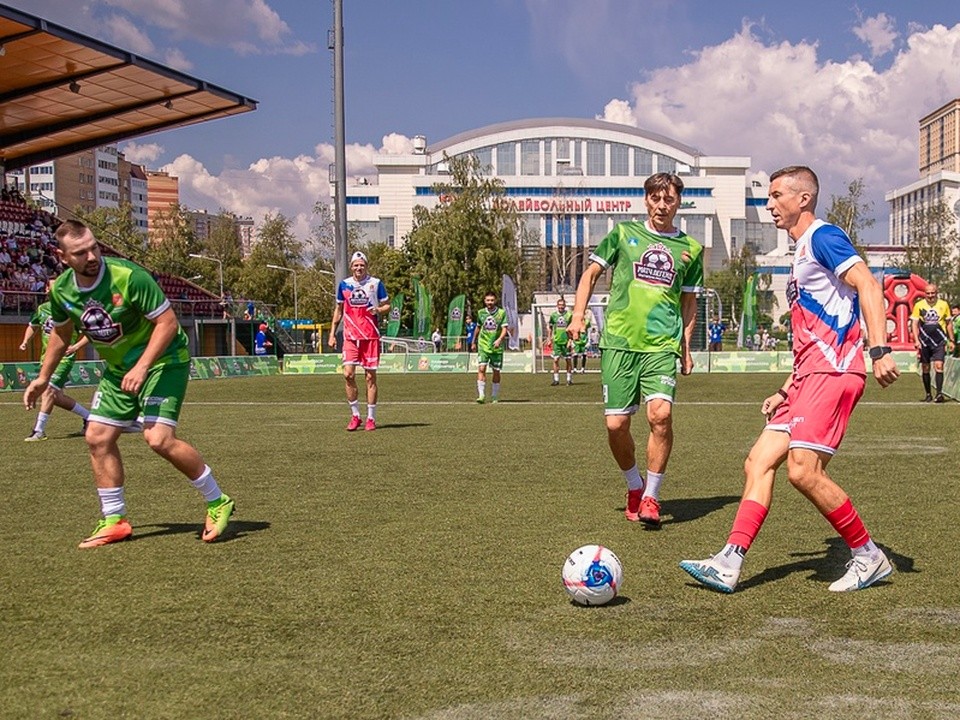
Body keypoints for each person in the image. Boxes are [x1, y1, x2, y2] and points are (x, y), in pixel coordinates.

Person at [679, 165, 900, 593]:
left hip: (834, 372)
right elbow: (810, 333)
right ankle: (729, 562)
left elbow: (869, 286)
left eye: (777, 195)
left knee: (803, 471)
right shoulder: (800, 252)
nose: (770, 204)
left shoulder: (823, 236)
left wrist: (879, 349)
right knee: (757, 462)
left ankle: (868, 555)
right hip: (806, 378)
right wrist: (785, 387)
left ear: (803, 199)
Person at [23, 220, 234, 548]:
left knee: (158, 438)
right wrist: (42, 377)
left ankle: (218, 500)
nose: (92, 256)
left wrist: (142, 366)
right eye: (81, 252)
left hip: (165, 360)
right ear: (62, 256)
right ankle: (114, 520)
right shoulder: (62, 290)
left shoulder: (129, 276)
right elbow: (61, 335)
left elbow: (167, 323)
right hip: (121, 369)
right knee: (97, 436)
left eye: (94, 247)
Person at [568, 172, 703, 528]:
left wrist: (686, 346)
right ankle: (634, 485)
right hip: (620, 342)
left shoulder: (691, 249)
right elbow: (590, 274)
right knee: (616, 424)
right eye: (655, 199)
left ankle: (652, 497)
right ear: (646, 200)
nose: (662, 206)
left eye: (669, 199)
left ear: (678, 202)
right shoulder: (623, 234)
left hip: (661, 345)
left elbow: (689, 303)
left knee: (660, 416)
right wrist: (578, 316)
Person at [328, 251, 390, 431]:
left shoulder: (375, 283)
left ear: (366, 266)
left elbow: (387, 305)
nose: (359, 268)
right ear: (351, 267)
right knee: (348, 374)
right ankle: (355, 415)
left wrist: (378, 310)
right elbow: (339, 310)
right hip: (350, 337)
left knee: (370, 377)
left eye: (361, 265)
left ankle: (370, 418)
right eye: (356, 265)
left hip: (370, 336)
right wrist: (332, 334)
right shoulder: (344, 285)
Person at [20, 291, 91, 441]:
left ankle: (39, 431)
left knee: (49, 391)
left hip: (65, 358)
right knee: (56, 397)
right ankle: (90, 418)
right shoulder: (42, 308)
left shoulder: (73, 311)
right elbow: (33, 325)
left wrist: (76, 347)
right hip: (47, 360)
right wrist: (26, 341)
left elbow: (90, 332)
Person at [910, 283, 953, 402]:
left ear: (936, 292)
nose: (930, 295)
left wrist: (951, 340)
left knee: (939, 366)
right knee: (925, 367)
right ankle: (928, 394)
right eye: (928, 293)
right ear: (925, 293)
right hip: (924, 341)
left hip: (939, 340)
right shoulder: (919, 305)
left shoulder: (943, 304)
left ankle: (939, 394)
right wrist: (916, 340)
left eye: (932, 293)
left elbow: (949, 323)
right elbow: (914, 323)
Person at [472, 291, 507, 403]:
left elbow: (505, 329)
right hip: (483, 345)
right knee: (481, 368)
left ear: (495, 301)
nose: (490, 302)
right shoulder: (481, 313)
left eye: (492, 300)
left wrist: (499, 339)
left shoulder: (501, 313)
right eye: (488, 300)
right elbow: (478, 327)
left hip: (496, 347)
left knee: (496, 371)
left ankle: (494, 396)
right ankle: (481, 395)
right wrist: (473, 341)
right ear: (484, 301)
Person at [548, 297, 574, 386]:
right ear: (557, 306)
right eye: (559, 305)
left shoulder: (569, 315)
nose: (561, 307)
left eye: (562, 305)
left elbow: (572, 329)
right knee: (555, 360)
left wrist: (571, 340)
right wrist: (549, 339)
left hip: (566, 341)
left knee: (568, 360)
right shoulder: (553, 315)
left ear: (565, 306)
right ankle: (556, 380)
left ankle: (569, 379)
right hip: (557, 341)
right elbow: (550, 327)